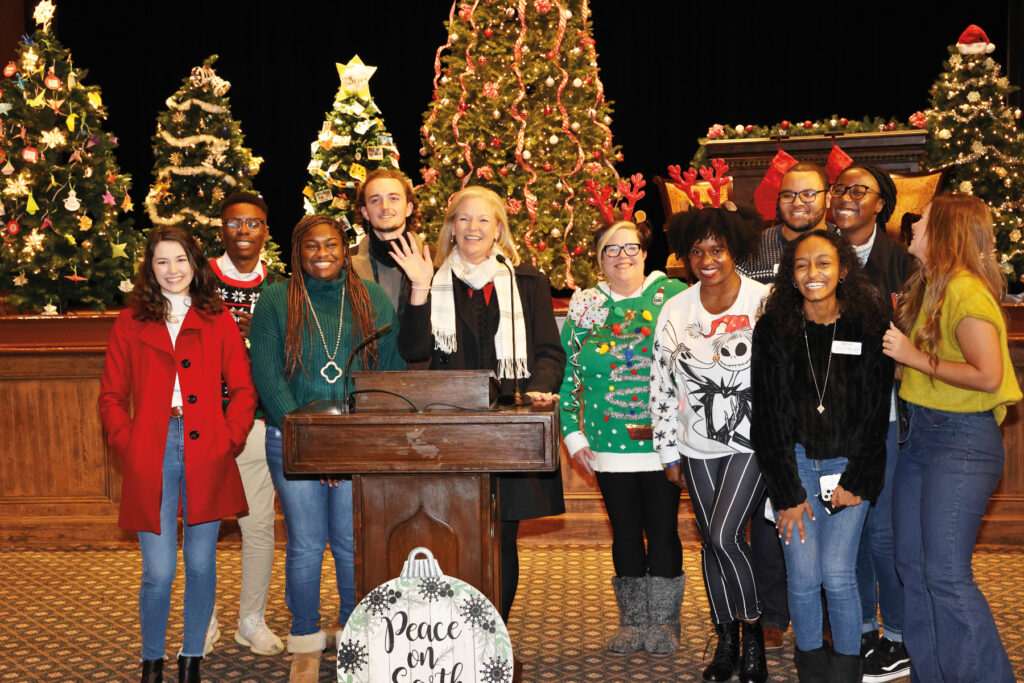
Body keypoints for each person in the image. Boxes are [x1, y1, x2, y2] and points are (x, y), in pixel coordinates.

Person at [389, 185, 566, 623]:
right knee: (455, 537)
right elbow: (413, 350)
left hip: (509, 433)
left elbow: (548, 352)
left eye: (483, 220)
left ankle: (494, 633)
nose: (473, 227)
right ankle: (455, 631)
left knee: (503, 537)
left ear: (498, 230)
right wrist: (417, 287)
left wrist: (539, 389)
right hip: (449, 434)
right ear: (451, 228)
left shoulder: (526, 283)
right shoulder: (429, 280)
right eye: (463, 219)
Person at [98, 225, 257, 683]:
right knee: (159, 570)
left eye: (181, 260)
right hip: (151, 449)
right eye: (162, 261)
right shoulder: (130, 321)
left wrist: (228, 439)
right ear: (150, 267)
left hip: (208, 448)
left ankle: (191, 660)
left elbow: (243, 391)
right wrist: (128, 443)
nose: (172, 270)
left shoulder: (217, 318)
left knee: (202, 563)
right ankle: (152, 661)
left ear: (196, 264)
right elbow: (110, 396)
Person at [249, 215, 404, 683]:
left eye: (331, 245)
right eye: (311, 245)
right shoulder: (276, 299)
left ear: (345, 249)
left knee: (351, 544)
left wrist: (346, 443)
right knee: (306, 543)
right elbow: (268, 376)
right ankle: (305, 640)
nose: (322, 253)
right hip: (291, 441)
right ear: (298, 251)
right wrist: (313, 444)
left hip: (353, 442)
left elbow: (388, 373)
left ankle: (352, 630)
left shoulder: (371, 298)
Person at [882, 195, 1021, 683]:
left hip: (959, 442)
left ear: (944, 230)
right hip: (923, 436)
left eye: (922, 218)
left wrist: (911, 357)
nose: (913, 224)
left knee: (944, 574)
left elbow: (988, 376)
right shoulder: (932, 286)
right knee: (914, 570)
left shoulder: (966, 290)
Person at [752, 230, 891, 682]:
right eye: (802, 265)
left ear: (843, 269)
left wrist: (858, 480)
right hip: (793, 466)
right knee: (803, 577)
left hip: (848, 468)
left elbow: (875, 416)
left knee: (837, 572)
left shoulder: (868, 325)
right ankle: (811, 669)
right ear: (790, 276)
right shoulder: (773, 329)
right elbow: (767, 419)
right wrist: (787, 494)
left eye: (824, 263)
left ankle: (847, 671)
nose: (813, 273)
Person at [650, 205, 769, 681]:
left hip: (752, 441)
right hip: (695, 444)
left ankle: (753, 633)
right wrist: (667, 450)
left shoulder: (763, 300)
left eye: (716, 249)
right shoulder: (676, 308)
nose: (707, 259)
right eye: (697, 251)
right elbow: (660, 382)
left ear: (733, 250)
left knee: (723, 535)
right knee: (711, 544)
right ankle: (726, 642)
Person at [558, 219, 687, 655]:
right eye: (610, 250)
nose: (622, 256)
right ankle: (632, 621)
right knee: (626, 534)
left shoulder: (672, 296)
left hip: (663, 443)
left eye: (629, 247)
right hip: (607, 446)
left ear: (644, 252)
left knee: (664, 532)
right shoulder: (585, 306)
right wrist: (573, 435)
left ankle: (666, 623)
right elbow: (569, 374)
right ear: (599, 260)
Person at [736, 161, 833, 652]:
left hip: (830, 401)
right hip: (768, 396)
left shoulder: (839, 249)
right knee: (769, 511)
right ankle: (773, 612)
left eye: (809, 195)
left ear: (825, 197)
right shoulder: (754, 248)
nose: (799, 204)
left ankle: (831, 613)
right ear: (779, 202)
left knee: (832, 508)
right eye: (790, 196)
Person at [830, 164, 912, 679]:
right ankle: (861, 631)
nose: (844, 197)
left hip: (884, 417)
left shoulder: (903, 263)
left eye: (859, 190)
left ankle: (899, 636)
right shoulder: (820, 254)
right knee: (849, 534)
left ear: (881, 203)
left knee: (883, 535)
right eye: (839, 188)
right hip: (832, 420)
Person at [203, 191, 284, 657]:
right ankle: (204, 620)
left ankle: (251, 621)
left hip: (256, 422)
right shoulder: (198, 281)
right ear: (222, 229)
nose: (244, 232)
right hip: (204, 424)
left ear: (265, 231)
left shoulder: (278, 287)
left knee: (256, 526)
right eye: (234, 224)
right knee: (205, 528)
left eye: (253, 224)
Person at [351, 168, 424, 316]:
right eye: (375, 200)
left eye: (394, 198)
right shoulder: (346, 265)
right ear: (365, 212)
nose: (385, 207)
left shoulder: (434, 261)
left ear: (409, 208)